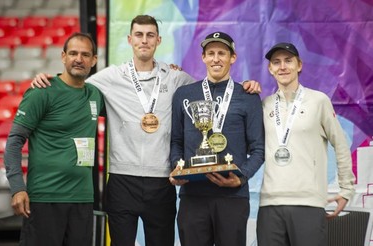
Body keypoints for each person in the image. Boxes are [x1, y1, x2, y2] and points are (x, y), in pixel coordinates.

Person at [31, 15, 261, 246]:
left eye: (150, 35)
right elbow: (75, 82)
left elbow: (211, 88)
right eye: (139, 35)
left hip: (161, 182)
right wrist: (48, 79)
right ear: (130, 39)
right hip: (122, 179)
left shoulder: (177, 79)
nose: (144, 40)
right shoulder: (110, 77)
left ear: (158, 40)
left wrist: (248, 86)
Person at [4, 32, 104, 246]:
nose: (79, 59)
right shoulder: (42, 91)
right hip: (44, 198)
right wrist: (17, 187)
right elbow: (14, 142)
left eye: (85, 54)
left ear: (94, 60)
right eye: (73, 53)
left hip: (82, 199)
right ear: (63, 57)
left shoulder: (95, 94)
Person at [169, 31, 265, 246]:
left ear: (233, 58)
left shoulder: (247, 96)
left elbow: (259, 148)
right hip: (192, 196)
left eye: (222, 53)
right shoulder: (184, 95)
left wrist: (241, 178)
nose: (216, 58)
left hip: (233, 197)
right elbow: (176, 141)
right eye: (210, 53)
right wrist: (177, 167)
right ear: (203, 58)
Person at [256, 42, 356, 246]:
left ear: (299, 65)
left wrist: (346, 189)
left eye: (288, 61)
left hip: (308, 203)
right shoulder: (265, 105)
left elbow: (340, 144)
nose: (282, 66)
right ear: (270, 69)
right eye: (276, 62)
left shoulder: (318, 101)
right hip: (269, 205)